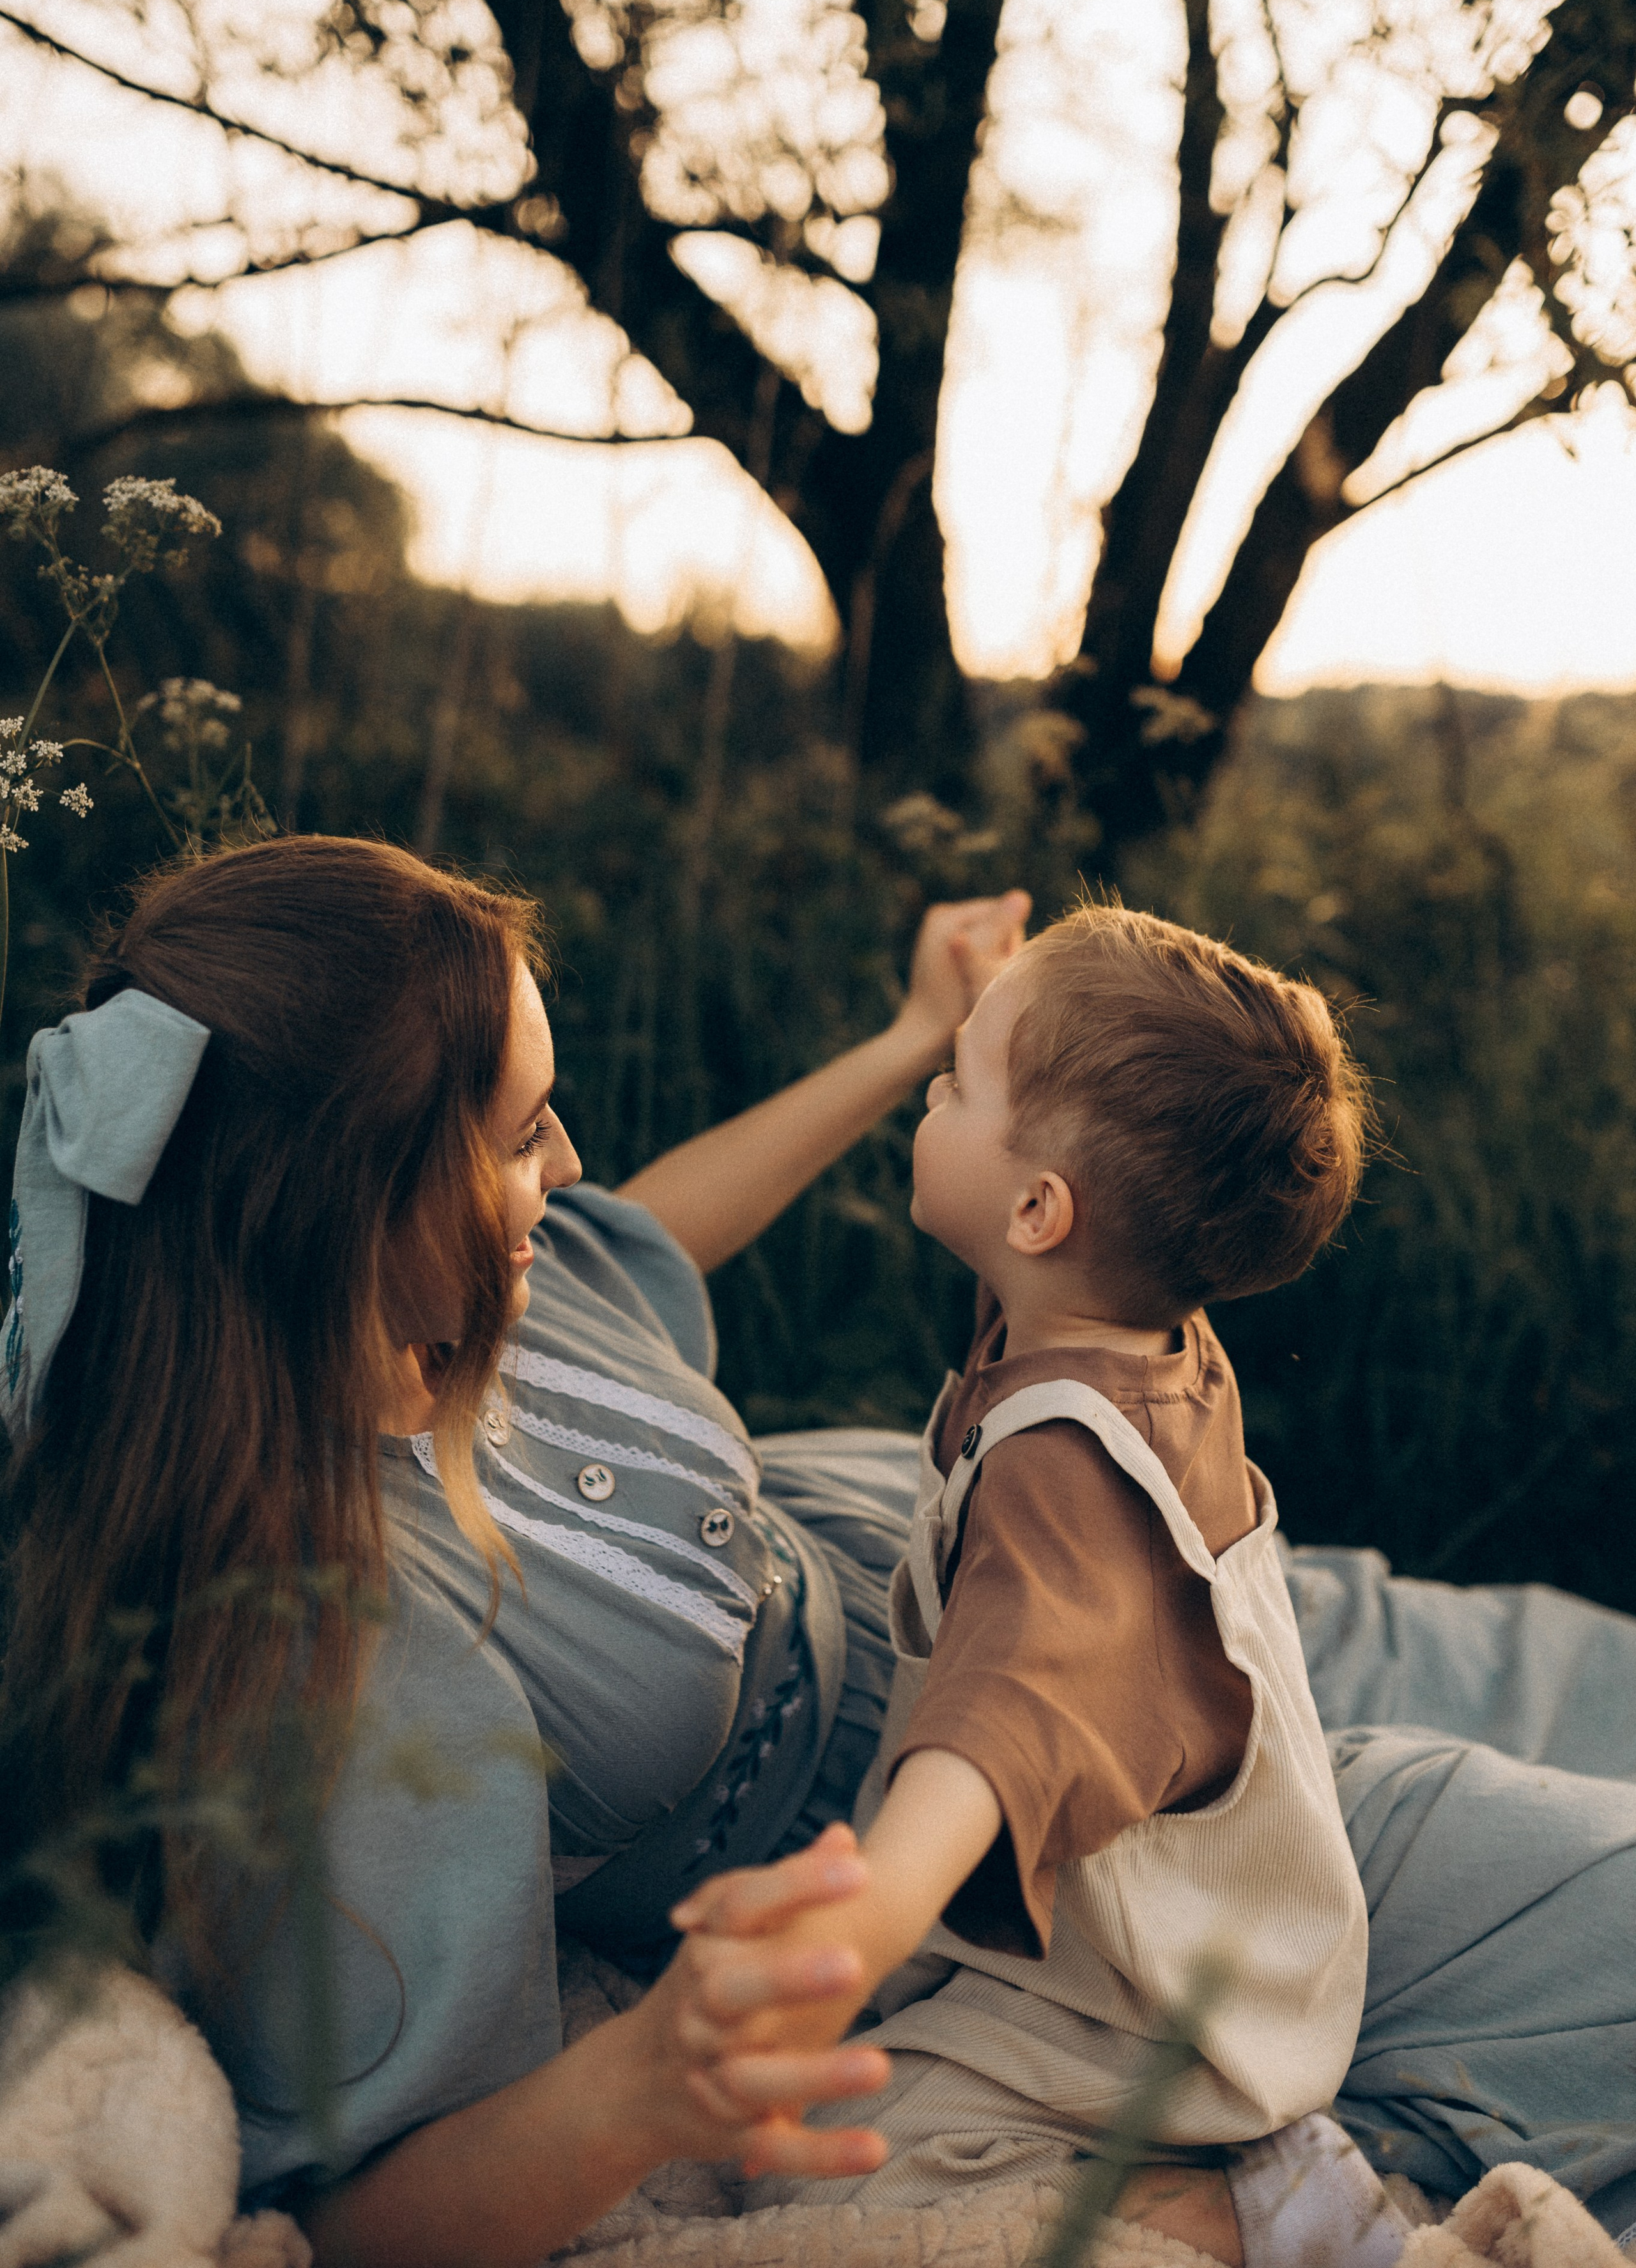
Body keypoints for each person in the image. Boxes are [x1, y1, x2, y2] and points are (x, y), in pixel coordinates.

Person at [5, 836, 1635, 2265]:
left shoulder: (467, 1277)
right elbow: (346, 2218)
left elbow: (634, 1231)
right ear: (339, 1211)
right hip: (996, 1828)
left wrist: (909, 1041)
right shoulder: (335, 1661)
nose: (562, 1170)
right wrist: (643, 2081)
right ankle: (1291, 2191)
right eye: (518, 1136)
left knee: (1569, 1667)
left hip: (1063, 1551)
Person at [730, 901, 1374, 2216]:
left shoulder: (1064, 1490)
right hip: (1239, 1928)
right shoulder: (1111, 1307)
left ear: (1034, 1207)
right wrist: (987, 1005)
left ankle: (1244, 2209)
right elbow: (1110, 1113)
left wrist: (838, 1945)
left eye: (956, 1079)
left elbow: (992, 1734)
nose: (931, 1083)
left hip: (1160, 2011)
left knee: (835, 2172)